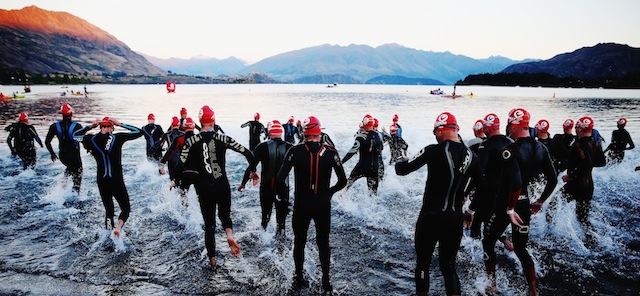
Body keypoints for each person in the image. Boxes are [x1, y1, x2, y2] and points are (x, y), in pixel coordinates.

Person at [395, 112, 482, 296]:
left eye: (435, 132)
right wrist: (470, 210)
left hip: (430, 216)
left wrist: (400, 158)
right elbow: (483, 188)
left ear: (441, 131)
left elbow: (402, 170)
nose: (435, 135)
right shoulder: (472, 156)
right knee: (449, 266)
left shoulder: (432, 150)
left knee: (423, 263)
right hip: (454, 218)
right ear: (456, 129)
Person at [481, 108, 557, 296]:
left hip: (505, 205)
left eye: (509, 126)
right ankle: (533, 291)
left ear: (514, 125)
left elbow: (515, 182)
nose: (508, 130)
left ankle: (492, 285)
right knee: (521, 248)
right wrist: (540, 201)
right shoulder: (541, 148)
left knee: (488, 242)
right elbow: (553, 179)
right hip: (525, 203)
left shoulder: (511, 150)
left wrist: (509, 209)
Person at [276, 116, 347, 294]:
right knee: (323, 242)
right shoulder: (331, 152)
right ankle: (326, 282)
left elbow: (279, 179)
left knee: (299, 242)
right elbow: (343, 181)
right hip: (323, 204)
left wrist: (283, 200)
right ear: (319, 132)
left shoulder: (294, 151)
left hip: (302, 205)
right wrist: (329, 193)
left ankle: (299, 277)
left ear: (304, 133)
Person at [177, 106, 255, 267]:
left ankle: (212, 261)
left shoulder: (191, 141)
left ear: (200, 121)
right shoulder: (223, 139)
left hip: (204, 188)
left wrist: (176, 181)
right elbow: (247, 152)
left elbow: (180, 164)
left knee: (209, 226)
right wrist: (253, 170)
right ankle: (229, 235)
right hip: (222, 185)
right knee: (225, 217)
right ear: (213, 120)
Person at [75, 117, 143, 237]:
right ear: (111, 127)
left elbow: (75, 136)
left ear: (100, 127)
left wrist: (90, 126)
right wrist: (120, 123)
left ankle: (108, 235)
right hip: (116, 180)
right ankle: (118, 228)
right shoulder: (118, 138)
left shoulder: (90, 139)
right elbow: (139, 132)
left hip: (102, 180)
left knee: (109, 211)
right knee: (125, 208)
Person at [239, 120, 292, 235]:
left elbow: (251, 166)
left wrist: (243, 183)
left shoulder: (262, 147)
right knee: (281, 223)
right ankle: (281, 247)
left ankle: (263, 240)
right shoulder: (290, 148)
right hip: (283, 187)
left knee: (265, 218)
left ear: (270, 133)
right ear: (281, 133)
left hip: (267, 187)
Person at [467, 113, 513, 240]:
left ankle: (474, 252)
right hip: (506, 192)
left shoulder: (486, 145)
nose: (484, 129)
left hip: (489, 191)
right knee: (495, 221)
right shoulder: (510, 142)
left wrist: (466, 192)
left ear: (489, 127)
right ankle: (505, 241)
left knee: (477, 222)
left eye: (485, 127)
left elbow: (479, 172)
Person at [562, 116, 603, 244]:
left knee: (553, 205)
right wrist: (586, 165)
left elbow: (587, 162)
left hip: (576, 184)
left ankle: (551, 233)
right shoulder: (595, 142)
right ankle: (593, 240)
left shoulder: (580, 143)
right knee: (583, 218)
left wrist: (572, 175)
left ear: (579, 128)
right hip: (588, 185)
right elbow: (601, 162)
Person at [45, 104, 84, 192]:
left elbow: (47, 142)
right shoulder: (77, 126)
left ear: (61, 114)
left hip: (62, 155)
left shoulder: (54, 126)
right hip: (74, 155)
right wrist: (90, 149)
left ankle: (64, 179)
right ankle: (75, 195)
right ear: (71, 114)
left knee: (70, 167)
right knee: (77, 176)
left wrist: (52, 154)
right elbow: (85, 140)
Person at [342, 114, 383, 195]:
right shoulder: (379, 135)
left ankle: (341, 197)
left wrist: (341, 162)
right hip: (374, 168)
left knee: (347, 186)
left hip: (362, 166)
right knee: (373, 194)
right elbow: (380, 150)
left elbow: (352, 151)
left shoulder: (361, 137)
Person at [160, 117, 196, 207]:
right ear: (194, 126)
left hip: (184, 171)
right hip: (198, 171)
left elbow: (169, 152)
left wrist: (162, 165)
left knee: (183, 194)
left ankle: (185, 212)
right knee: (201, 195)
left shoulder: (179, 139)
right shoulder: (199, 138)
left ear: (183, 126)